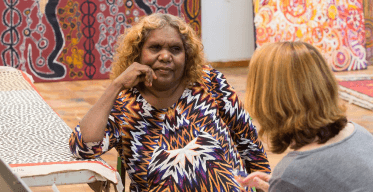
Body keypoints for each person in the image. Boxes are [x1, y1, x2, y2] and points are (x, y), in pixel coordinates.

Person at [69, 13, 270, 191]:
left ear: (187, 55)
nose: (165, 56)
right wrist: (117, 85)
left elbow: (249, 141)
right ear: (138, 53)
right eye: (155, 48)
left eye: (175, 49)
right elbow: (83, 147)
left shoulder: (208, 82)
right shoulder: (124, 104)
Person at [238, 41, 373, 191]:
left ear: (264, 99)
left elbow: (304, 176)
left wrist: (285, 185)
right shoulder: (360, 134)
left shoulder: (292, 174)